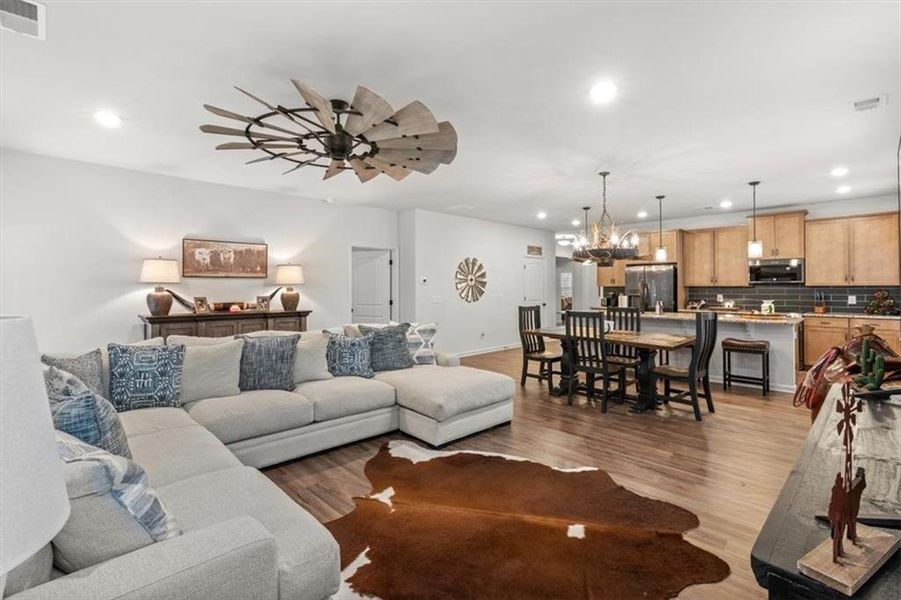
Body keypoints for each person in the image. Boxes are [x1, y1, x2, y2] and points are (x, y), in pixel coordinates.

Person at [827, 473, 847, 561]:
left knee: (838, 535)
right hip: (836, 514)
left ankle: (839, 551)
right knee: (836, 535)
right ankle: (836, 554)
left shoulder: (838, 489)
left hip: (836, 514)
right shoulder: (837, 490)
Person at [846, 467, 867, 543]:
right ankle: (851, 535)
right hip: (853, 506)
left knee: (851, 520)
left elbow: (863, 485)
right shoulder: (857, 483)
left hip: (853, 505)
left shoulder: (856, 482)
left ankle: (851, 535)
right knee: (852, 520)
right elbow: (863, 485)